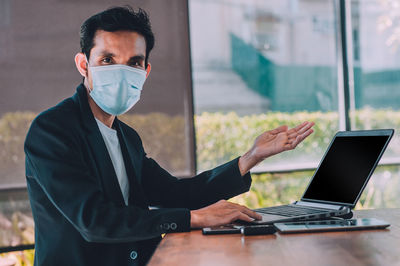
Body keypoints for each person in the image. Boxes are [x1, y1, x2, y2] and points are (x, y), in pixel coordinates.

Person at [24, 6, 314, 266]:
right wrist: (193, 218)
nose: (121, 71)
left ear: (146, 71)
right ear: (83, 64)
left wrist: (251, 157)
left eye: (134, 62)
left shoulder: (127, 137)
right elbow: (94, 221)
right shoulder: (51, 130)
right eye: (108, 59)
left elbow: (176, 194)